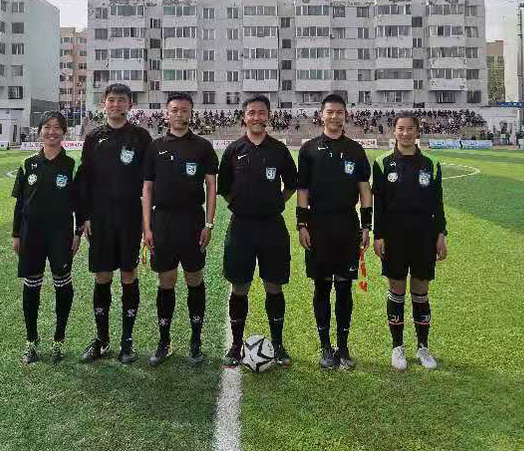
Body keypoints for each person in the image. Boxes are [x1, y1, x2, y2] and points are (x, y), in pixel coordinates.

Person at [217, 94, 298, 367]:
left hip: (272, 226)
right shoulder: (233, 150)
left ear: (268, 116)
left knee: (274, 285)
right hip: (241, 227)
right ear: (244, 117)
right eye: (251, 112)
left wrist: (277, 203)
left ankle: (278, 344)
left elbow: (291, 184)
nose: (256, 117)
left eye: (261, 112)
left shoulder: (279, 150)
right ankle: (235, 345)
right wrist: (240, 205)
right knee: (239, 286)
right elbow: (224, 188)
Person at [76, 83, 152, 364]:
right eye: (111, 100)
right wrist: (84, 217)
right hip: (100, 218)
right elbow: (84, 179)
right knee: (102, 276)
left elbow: (149, 182)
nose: (116, 104)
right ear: (104, 104)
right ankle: (102, 339)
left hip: (130, 217)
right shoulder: (93, 137)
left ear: (130, 104)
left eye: (121, 100)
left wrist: (147, 221)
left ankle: (127, 341)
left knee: (128, 275)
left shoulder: (141, 137)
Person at [297, 94, 372, 369]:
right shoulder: (308, 149)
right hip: (318, 226)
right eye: (330, 112)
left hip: (347, 225)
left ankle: (343, 346)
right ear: (321, 115)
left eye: (340, 112)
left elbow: (365, 191)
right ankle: (325, 346)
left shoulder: (356, 150)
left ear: (346, 115)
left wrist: (366, 225)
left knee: (344, 287)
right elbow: (303, 191)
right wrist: (302, 224)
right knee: (321, 286)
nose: (335, 116)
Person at [142, 93, 218, 366]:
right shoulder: (155, 147)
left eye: (184, 110)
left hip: (192, 221)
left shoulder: (202, 147)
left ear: (191, 113)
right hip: (162, 221)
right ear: (166, 113)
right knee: (166, 281)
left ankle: (196, 340)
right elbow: (147, 189)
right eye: (174, 110)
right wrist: (147, 228)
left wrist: (208, 223)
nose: (179, 114)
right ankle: (164, 340)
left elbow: (212, 186)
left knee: (194, 278)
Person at [372, 112, 448, 371]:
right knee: (396, 290)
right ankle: (398, 347)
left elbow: (438, 203)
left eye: (410, 129)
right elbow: (379, 205)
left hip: (424, 236)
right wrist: (378, 235)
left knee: (420, 291)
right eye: (400, 129)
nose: (405, 133)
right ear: (394, 131)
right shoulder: (382, 163)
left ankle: (423, 347)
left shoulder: (431, 164)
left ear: (417, 132)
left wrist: (441, 234)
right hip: (394, 237)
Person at [11, 111, 83, 364]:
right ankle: (31, 341)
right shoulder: (27, 163)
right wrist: (16, 234)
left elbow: (80, 203)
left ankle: (58, 340)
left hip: (60, 235)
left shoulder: (72, 164)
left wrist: (78, 233)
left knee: (63, 285)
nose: (52, 132)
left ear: (64, 132)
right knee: (32, 286)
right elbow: (20, 203)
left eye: (57, 127)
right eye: (47, 127)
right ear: (40, 130)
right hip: (31, 235)